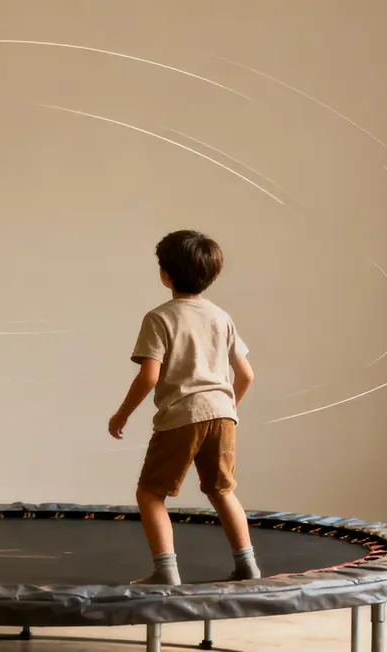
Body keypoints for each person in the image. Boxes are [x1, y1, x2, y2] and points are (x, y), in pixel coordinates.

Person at [108, 229, 260, 585]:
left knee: (150, 493)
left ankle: (166, 571)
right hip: (223, 415)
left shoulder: (160, 318)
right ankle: (248, 565)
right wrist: (226, 407)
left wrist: (122, 414)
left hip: (182, 416)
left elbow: (148, 377)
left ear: (165, 274)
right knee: (222, 491)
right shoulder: (221, 317)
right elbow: (247, 374)